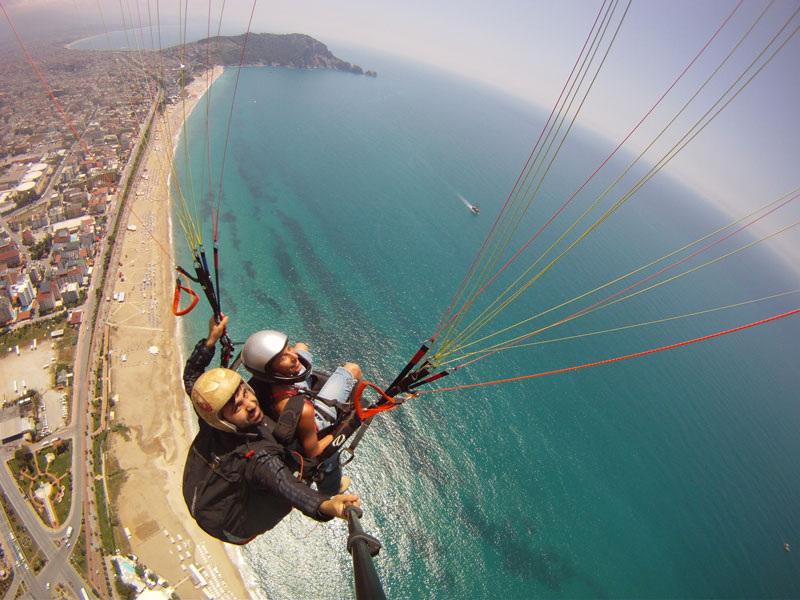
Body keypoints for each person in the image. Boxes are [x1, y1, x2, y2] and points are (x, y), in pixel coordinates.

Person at [182, 315, 359, 545]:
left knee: (302, 347)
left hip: (203, 493)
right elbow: (287, 486)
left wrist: (211, 340)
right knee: (329, 451)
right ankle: (331, 487)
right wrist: (327, 506)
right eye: (237, 407)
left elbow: (191, 378)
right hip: (235, 525)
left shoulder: (210, 417)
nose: (250, 404)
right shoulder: (257, 456)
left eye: (244, 392)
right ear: (223, 419)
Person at [240, 328, 362, 495]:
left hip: (293, 388)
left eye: (288, 348)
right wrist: (341, 429)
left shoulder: (267, 383)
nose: (294, 356)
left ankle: (287, 353)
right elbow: (313, 452)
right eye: (283, 357)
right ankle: (332, 488)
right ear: (271, 371)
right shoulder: (301, 411)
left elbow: (295, 354)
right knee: (353, 369)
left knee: (302, 346)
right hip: (316, 417)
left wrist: (291, 352)